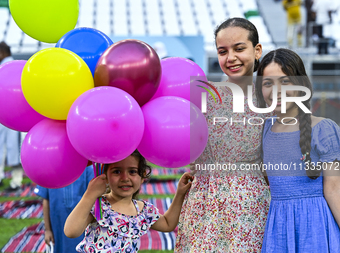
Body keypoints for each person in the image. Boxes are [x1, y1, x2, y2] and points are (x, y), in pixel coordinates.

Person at [175, 17, 271, 252]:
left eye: (239, 48)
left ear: (257, 50)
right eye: (222, 51)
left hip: (250, 209)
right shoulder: (202, 98)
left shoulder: (270, 102)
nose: (231, 58)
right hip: (203, 206)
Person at [255, 48, 340, 252]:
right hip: (279, 231)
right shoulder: (264, 130)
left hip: (316, 229)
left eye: (285, 81)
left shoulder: (324, 129)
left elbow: (334, 188)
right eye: (268, 83)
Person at [64, 150, 193, 253]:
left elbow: (168, 223)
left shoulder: (143, 211)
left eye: (132, 171)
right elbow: (71, 231)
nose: (125, 178)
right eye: (117, 171)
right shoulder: (99, 206)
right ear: (106, 177)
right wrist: (89, 195)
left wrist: (180, 193)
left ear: (142, 176)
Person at [34, 165, 94, 253]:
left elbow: (93, 197)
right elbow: (46, 200)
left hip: (82, 226)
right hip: (57, 226)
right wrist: (48, 230)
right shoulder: (49, 167)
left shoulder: (87, 168)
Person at [0, 41, 22, 191]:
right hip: (17, 114)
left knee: (5, 147)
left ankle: (4, 177)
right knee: (15, 148)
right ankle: (16, 180)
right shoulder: (17, 67)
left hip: (5, 113)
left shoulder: (3, 68)